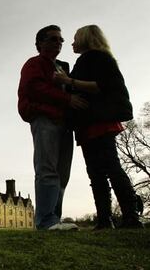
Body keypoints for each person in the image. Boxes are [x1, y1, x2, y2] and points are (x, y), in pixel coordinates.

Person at [54, 25, 143, 229]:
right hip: (87, 123)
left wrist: (69, 81)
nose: (72, 42)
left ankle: (131, 216)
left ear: (86, 38)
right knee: (95, 173)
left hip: (100, 121)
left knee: (112, 168)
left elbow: (101, 85)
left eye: (75, 38)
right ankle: (104, 219)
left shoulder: (100, 58)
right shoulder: (85, 60)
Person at [18, 25, 88, 230]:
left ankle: (54, 219)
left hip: (65, 123)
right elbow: (34, 88)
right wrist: (67, 99)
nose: (58, 42)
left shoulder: (61, 67)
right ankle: (46, 220)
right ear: (40, 43)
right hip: (45, 119)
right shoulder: (34, 63)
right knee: (47, 169)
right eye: (53, 39)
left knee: (62, 173)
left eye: (61, 40)